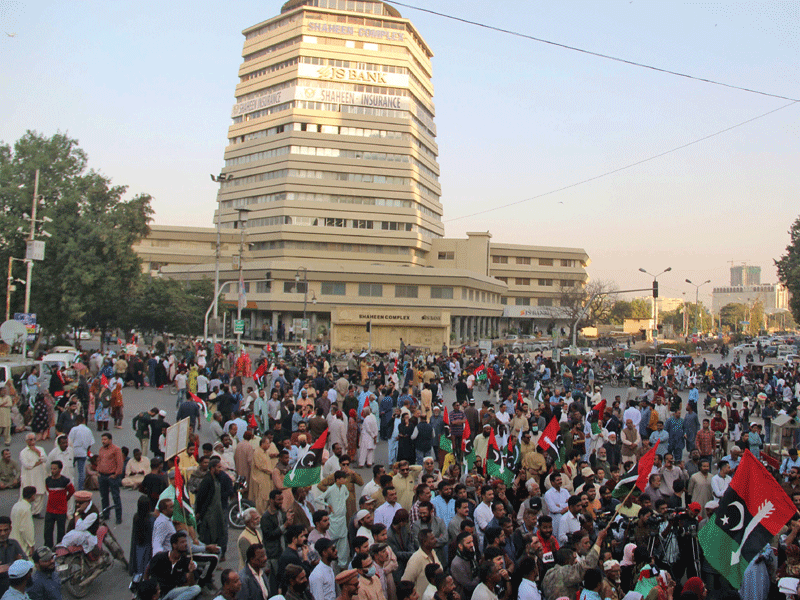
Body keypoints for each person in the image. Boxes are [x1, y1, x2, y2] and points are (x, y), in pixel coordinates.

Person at [144, 532, 201, 600]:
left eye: (186, 541)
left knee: (196, 588)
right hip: (158, 593)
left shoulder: (185, 561)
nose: (185, 544)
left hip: (172, 592)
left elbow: (190, 584)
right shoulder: (160, 557)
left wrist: (191, 571)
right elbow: (147, 570)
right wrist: (146, 586)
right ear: (174, 545)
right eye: (182, 542)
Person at [318, 470, 351, 569]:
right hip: (333, 520)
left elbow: (347, 494)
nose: (345, 480)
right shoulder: (331, 489)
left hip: (342, 519)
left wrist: (342, 502)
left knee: (343, 544)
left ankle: (342, 565)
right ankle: (330, 566)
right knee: (331, 543)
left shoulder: (344, 487)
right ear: (337, 479)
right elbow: (319, 499)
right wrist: (328, 505)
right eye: (343, 478)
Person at [195, 457, 226, 554]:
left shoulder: (216, 478)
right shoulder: (207, 480)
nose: (220, 469)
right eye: (218, 467)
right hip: (208, 514)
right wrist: (199, 513)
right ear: (212, 468)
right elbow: (200, 498)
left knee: (218, 536)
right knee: (208, 538)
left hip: (217, 513)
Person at [402, 529, 442, 598]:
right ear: (425, 542)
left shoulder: (433, 552)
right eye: (432, 539)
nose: (435, 540)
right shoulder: (415, 559)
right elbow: (405, 582)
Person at [43, 461, 74, 550]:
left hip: (61, 510)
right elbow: (48, 490)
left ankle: (60, 549)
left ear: (60, 469)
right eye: (52, 469)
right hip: (50, 510)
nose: (52, 471)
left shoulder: (65, 481)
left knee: (61, 531)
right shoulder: (48, 480)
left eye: (55, 469)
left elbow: (71, 491)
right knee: (47, 532)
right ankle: (48, 549)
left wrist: (65, 500)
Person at [97, 432, 123, 524]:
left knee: (115, 496)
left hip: (112, 476)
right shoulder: (101, 449)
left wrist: (116, 474)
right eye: (102, 439)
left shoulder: (116, 449)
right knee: (104, 497)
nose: (103, 441)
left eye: (105, 439)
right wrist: (98, 471)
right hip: (102, 476)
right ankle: (106, 515)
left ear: (110, 440)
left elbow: (120, 463)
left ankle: (118, 517)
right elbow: (99, 460)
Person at [19, 434, 46, 517]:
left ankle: (36, 512)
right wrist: (38, 463)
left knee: (40, 493)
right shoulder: (23, 452)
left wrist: (37, 452)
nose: (33, 441)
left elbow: (45, 459)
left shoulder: (40, 449)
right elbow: (27, 465)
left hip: (39, 476)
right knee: (26, 495)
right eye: (30, 439)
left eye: (34, 439)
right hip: (28, 477)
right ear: (27, 441)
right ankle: (24, 511)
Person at [67, 416, 94, 491]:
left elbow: (69, 441)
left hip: (73, 452)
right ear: (84, 421)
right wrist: (86, 450)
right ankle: (80, 488)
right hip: (82, 453)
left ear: (77, 421)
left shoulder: (74, 429)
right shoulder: (88, 430)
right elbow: (90, 443)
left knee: (70, 469)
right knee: (81, 471)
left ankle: (69, 486)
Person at [9, 488, 35, 557]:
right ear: (32, 496)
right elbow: (26, 529)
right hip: (21, 542)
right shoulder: (26, 509)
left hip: (12, 538)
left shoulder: (16, 505)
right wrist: (31, 544)